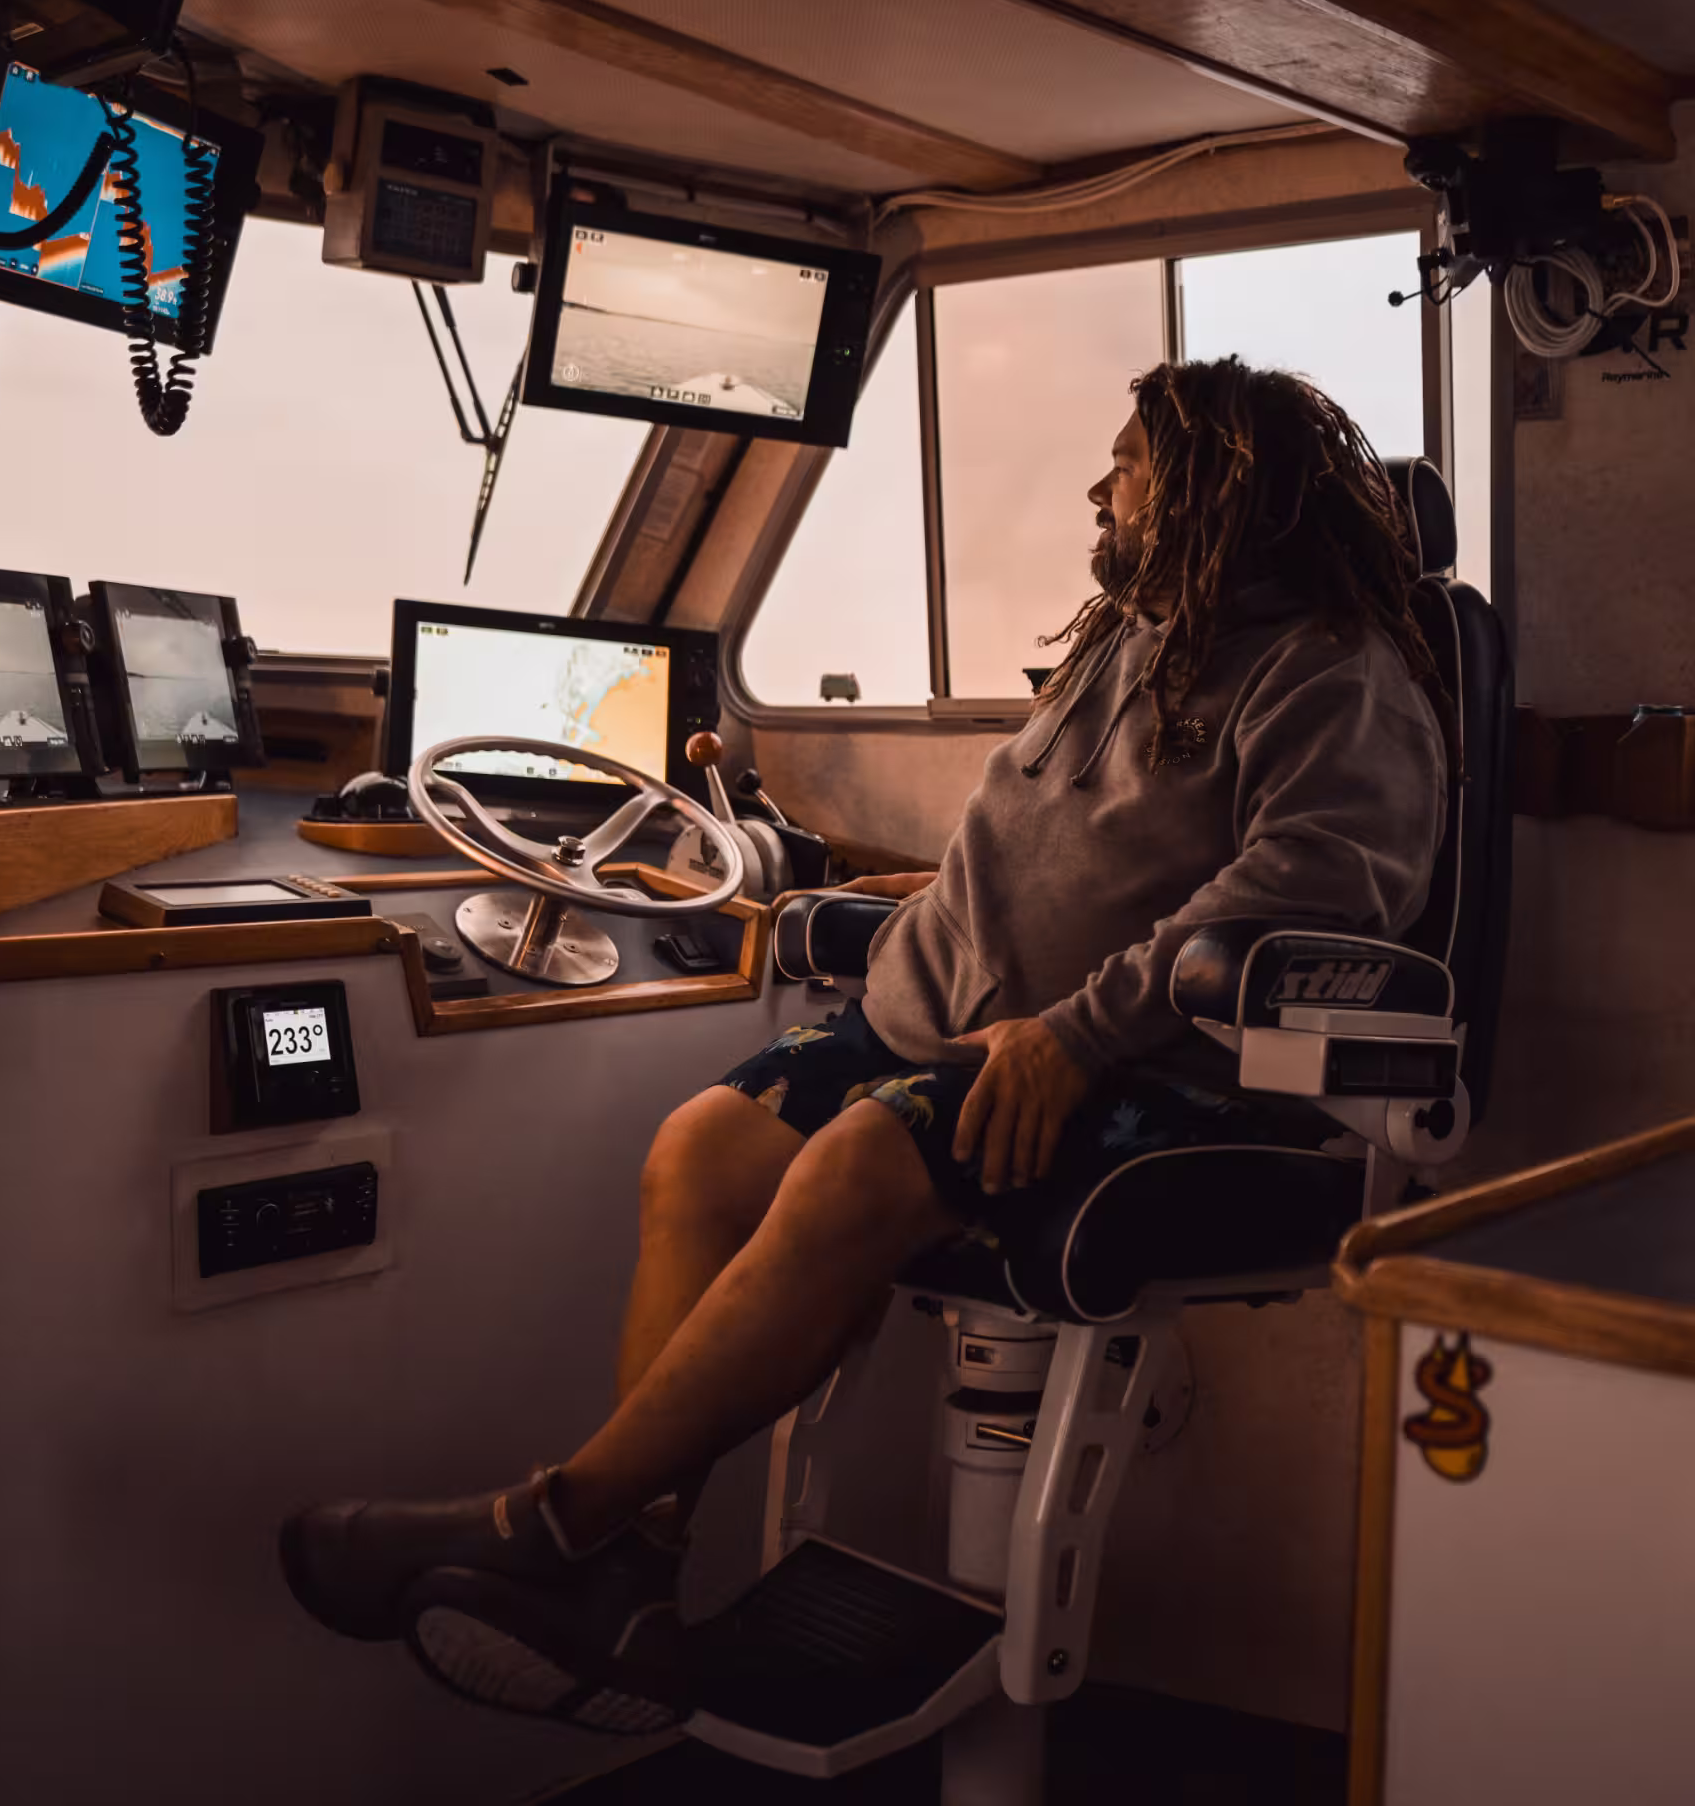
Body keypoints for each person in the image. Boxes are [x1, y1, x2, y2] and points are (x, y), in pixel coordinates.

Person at [279, 358, 1451, 1735]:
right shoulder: (1132, 638)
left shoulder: (1334, 677)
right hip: (938, 1030)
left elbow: (1309, 887)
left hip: (1158, 1068)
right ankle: (637, 1575)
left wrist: (1076, 1032)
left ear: (1213, 490)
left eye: (1128, 464)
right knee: (702, 1149)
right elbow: (1041, 858)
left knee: (848, 1168)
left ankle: (547, 1528)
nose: (1101, 486)